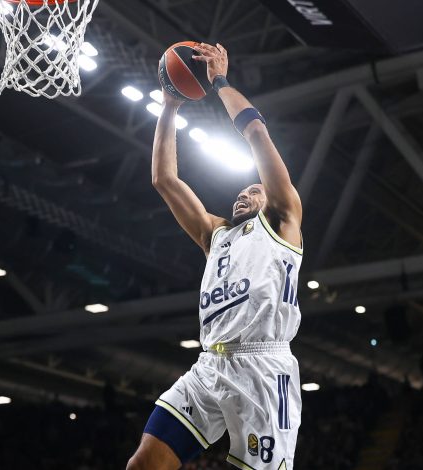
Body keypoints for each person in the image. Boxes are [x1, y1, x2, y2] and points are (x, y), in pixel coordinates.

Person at [127, 43, 304, 469]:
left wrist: (219, 81)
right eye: (242, 190)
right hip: (210, 364)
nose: (245, 191)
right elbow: (164, 179)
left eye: (254, 190)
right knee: (144, 464)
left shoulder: (282, 220)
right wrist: (169, 105)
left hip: (264, 366)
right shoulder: (215, 234)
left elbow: (257, 133)